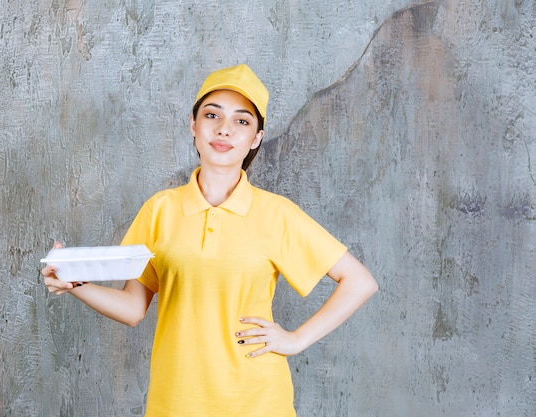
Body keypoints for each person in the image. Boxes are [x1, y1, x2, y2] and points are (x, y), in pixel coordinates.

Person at [42, 63, 378, 417]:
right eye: (212, 115)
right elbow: (132, 308)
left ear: (257, 138)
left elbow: (359, 282)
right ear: (193, 124)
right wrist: (74, 283)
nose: (224, 129)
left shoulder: (277, 214)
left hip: (258, 402)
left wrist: (295, 339)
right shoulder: (160, 210)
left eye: (242, 121)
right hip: (175, 402)